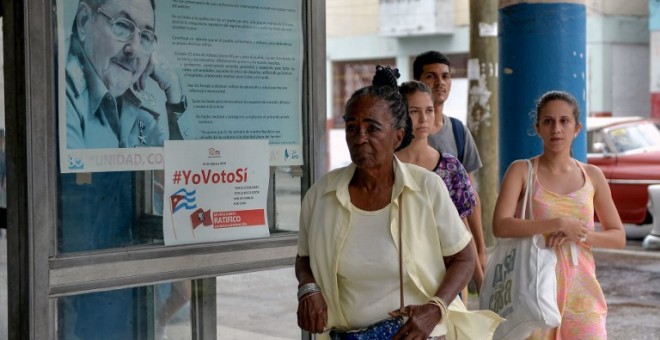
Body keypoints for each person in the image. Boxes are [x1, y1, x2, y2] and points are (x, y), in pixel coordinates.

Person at [296, 66, 500, 339]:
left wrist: (435, 308)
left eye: (372, 127)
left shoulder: (426, 188)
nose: (360, 138)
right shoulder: (321, 195)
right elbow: (304, 258)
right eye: (352, 127)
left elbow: (463, 258)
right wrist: (308, 288)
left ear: (397, 136)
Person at [492, 90, 626, 338]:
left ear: (577, 128)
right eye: (548, 121)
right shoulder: (522, 171)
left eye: (564, 121)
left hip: (583, 294)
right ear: (538, 128)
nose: (556, 129)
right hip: (534, 292)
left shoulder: (593, 175)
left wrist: (578, 234)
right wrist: (557, 223)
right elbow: (500, 225)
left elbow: (618, 236)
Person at [395, 81, 483, 296]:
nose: (424, 119)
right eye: (414, 111)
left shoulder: (450, 167)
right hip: (398, 278)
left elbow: (461, 229)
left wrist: (482, 283)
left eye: (429, 110)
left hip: (448, 279)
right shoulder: (385, 166)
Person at [66, 0, 186, 149]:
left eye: (145, 37)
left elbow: (180, 168)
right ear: (83, 21)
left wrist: (174, 98)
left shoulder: (139, 108)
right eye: (122, 25)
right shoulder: (58, 89)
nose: (135, 49)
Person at [413, 51, 487, 273]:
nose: (440, 83)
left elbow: (469, 197)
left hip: (454, 248)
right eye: (431, 76)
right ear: (418, 81)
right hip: (416, 245)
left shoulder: (458, 132)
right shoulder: (402, 136)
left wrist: (481, 249)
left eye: (445, 76)